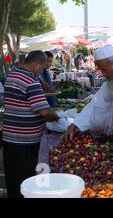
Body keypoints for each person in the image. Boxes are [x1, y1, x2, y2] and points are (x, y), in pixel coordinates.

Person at [2, 51, 59, 198]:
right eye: (42, 68)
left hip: (9, 137)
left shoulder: (11, 76)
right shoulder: (30, 81)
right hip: (25, 141)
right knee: (26, 180)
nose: (42, 71)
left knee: (13, 178)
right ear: (36, 64)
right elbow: (44, 112)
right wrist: (58, 118)